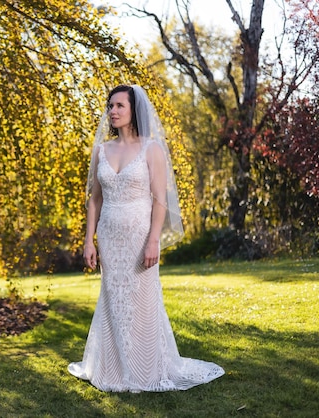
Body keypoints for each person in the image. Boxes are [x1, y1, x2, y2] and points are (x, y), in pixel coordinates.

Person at [68, 84, 224, 392]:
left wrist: (154, 240)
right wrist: (89, 240)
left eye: (119, 106)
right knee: (113, 298)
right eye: (110, 106)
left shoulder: (151, 148)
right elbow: (94, 200)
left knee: (143, 299)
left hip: (140, 235)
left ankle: (147, 369)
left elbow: (160, 200)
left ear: (133, 110)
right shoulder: (101, 149)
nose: (112, 111)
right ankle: (111, 370)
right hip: (110, 237)